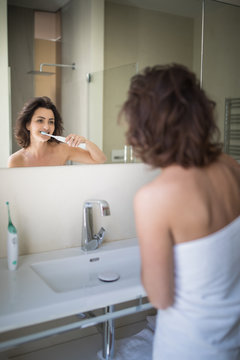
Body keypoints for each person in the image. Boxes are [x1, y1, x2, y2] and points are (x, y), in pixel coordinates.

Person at [120, 64, 240, 359]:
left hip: (187, 348)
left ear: (144, 126)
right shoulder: (231, 167)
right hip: (231, 342)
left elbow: (160, 297)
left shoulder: (155, 198)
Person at [8, 96, 106, 167]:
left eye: (51, 122)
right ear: (27, 125)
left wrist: (86, 142)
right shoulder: (16, 160)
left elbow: (100, 160)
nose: (47, 127)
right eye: (40, 120)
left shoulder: (62, 149)